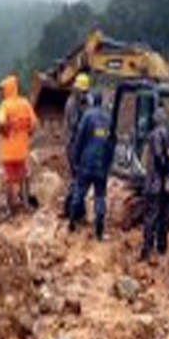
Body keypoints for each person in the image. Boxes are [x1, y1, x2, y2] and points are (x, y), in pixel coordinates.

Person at [68, 90, 113, 240]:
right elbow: (112, 144)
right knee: (100, 196)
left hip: (86, 163)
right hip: (101, 166)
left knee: (79, 191)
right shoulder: (109, 119)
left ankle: (72, 222)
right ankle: (99, 230)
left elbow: (79, 139)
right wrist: (108, 164)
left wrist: (75, 159)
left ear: (92, 100)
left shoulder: (87, 116)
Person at [0, 74, 38, 218]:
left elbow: (1, 122)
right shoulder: (25, 103)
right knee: (23, 176)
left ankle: (10, 208)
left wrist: (5, 133)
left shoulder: (5, 105)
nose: (1, 93)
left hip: (8, 151)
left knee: (9, 180)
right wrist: (27, 135)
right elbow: (34, 124)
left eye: (2, 90)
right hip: (22, 149)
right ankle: (26, 204)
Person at [141, 107, 169, 261]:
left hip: (154, 182)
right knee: (163, 216)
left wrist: (162, 172)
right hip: (165, 183)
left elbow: (158, 158)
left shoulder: (155, 135)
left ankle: (147, 249)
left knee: (151, 216)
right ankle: (162, 247)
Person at [63, 73, 91, 217]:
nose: (85, 95)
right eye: (83, 92)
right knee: (76, 176)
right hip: (73, 144)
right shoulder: (72, 104)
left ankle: (76, 208)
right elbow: (75, 125)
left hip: (79, 144)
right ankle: (70, 208)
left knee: (79, 176)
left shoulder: (83, 102)